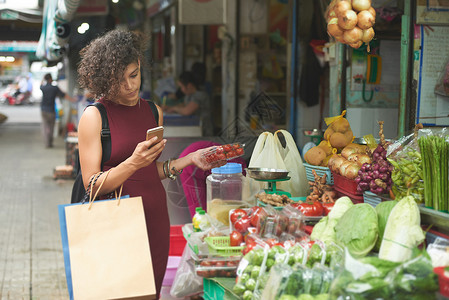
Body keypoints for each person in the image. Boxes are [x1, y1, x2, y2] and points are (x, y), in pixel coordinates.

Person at [76, 29, 225, 298]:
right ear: (104, 82)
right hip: (114, 222)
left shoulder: (154, 111)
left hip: (155, 218)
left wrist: (189, 159)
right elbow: (92, 184)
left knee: (151, 294)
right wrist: (132, 163)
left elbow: (149, 172)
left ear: (140, 66)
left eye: (134, 75)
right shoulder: (94, 116)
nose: (130, 86)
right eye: (119, 81)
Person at [163, 71, 214, 136]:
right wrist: (168, 108)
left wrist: (174, 108)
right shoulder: (189, 95)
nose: (181, 90)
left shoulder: (200, 95)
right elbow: (184, 105)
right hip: (195, 130)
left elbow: (186, 111)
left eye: (181, 87)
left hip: (204, 132)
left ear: (189, 85)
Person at [40, 73, 74, 148]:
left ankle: (46, 143)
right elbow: (63, 95)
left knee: (45, 127)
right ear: (51, 79)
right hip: (51, 110)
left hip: (43, 110)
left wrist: (43, 78)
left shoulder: (43, 88)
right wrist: (72, 100)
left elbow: (41, 85)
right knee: (51, 127)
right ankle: (50, 143)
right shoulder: (55, 88)